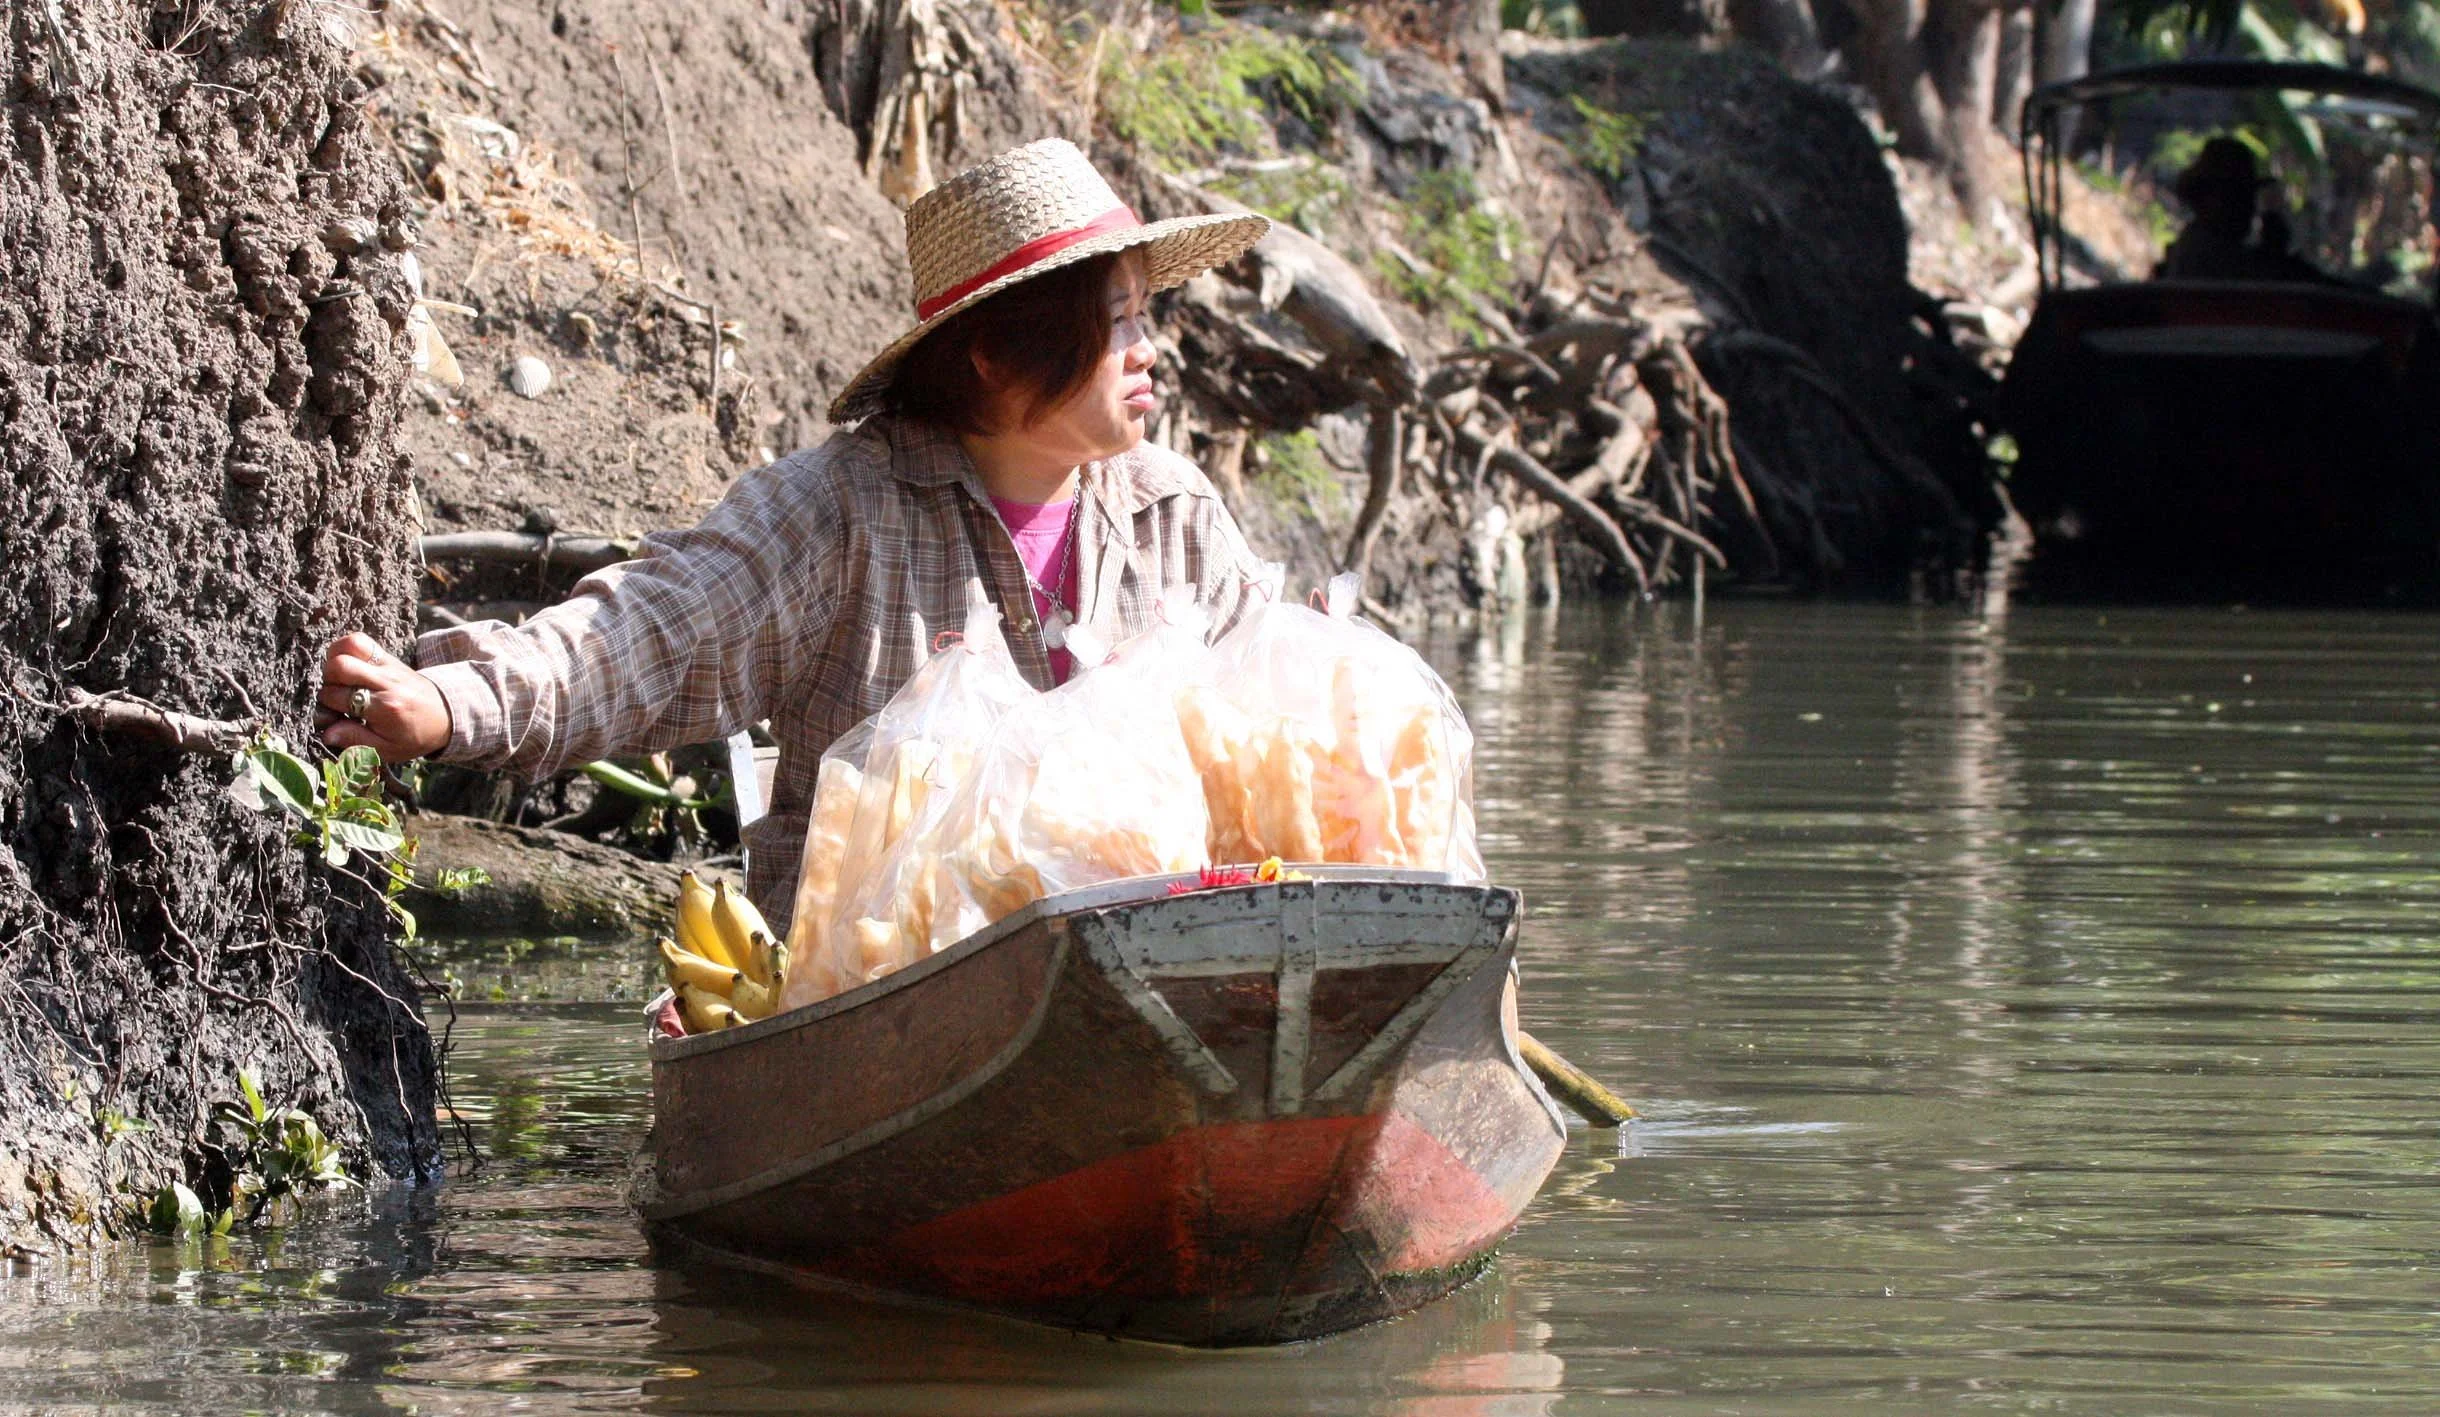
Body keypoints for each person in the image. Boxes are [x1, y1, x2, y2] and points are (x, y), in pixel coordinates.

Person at [314, 140, 1272, 927]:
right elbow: (650, 634)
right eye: (1116, 323)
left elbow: (1283, 730)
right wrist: (453, 702)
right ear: (993, 353)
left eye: (1147, 315)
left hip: (1158, 960)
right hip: (890, 986)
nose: (1149, 351)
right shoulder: (842, 512)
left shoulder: (1173, 519)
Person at [2155, 136, 2320, 283]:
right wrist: (2273, 253)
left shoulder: (2203, 245)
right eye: (2238, 196)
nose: (2249, 208)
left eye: (2247, 197)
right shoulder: (2205, 252)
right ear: (2211, 198)